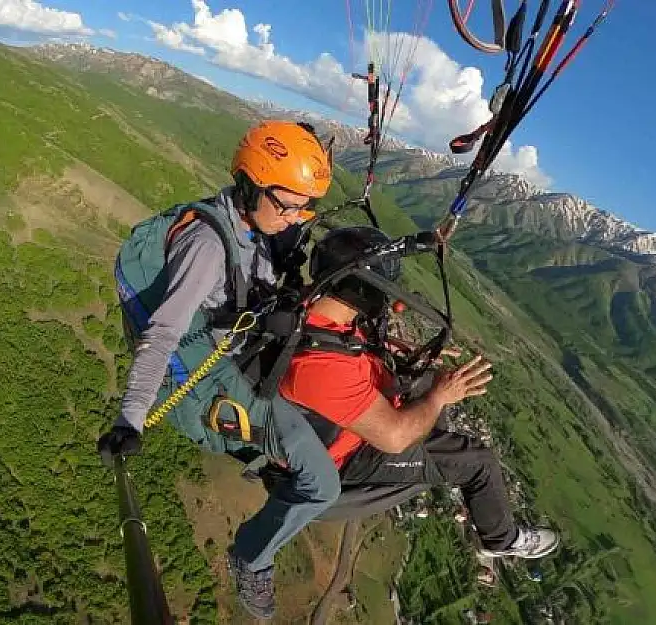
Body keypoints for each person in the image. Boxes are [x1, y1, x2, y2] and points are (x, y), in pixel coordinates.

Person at [98, 120, 341, 619]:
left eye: (303, 206)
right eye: (287, 205)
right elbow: (163, 335)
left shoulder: (253, 223)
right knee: (322, 481)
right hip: (198, 381)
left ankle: (270, 461)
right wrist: (130, 419)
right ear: (251, 186)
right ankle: (252, 557)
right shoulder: (208, 247)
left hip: (225, 344)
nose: (296, 217)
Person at [278, 225, 560, 560]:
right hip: (350, 456)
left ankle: (432, 448)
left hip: (341, 415)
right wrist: (440, 397)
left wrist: (403, 354)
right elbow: (394, 438)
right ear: (364, 289)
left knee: (424, 377)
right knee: (478, 462)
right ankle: (501, 539)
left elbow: (349, 348)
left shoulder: (311, 308)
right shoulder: (321, 367)